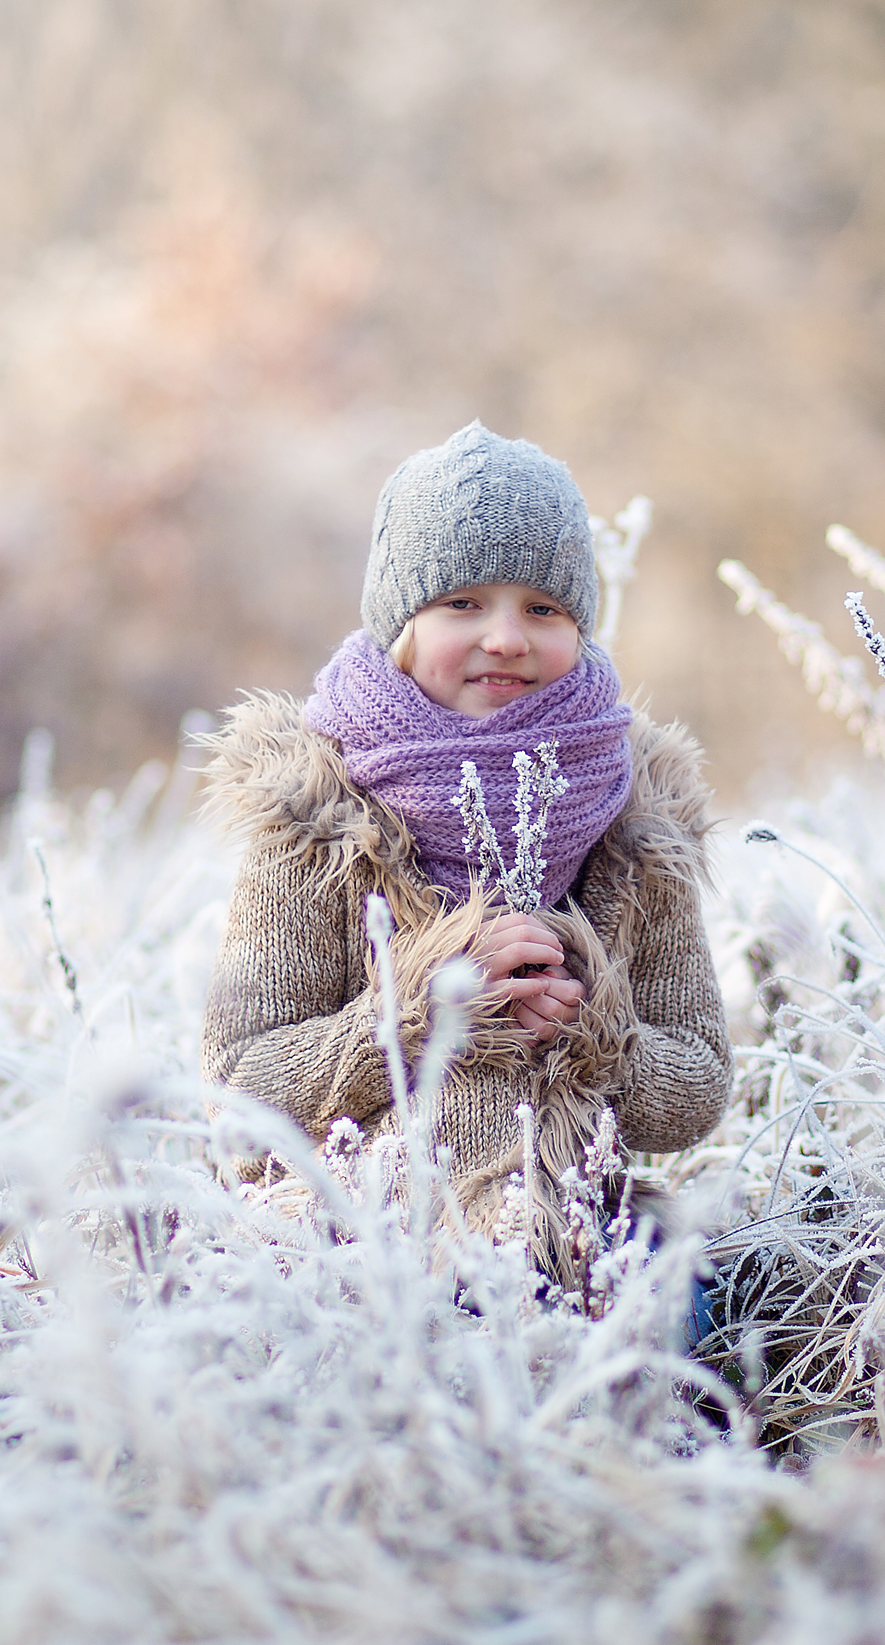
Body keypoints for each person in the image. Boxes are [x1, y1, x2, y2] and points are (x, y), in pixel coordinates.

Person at [200, 422, 731, 1278]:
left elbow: (697, 1085)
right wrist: (424, 1007)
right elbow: (239, 1087)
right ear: (401, 622)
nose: (507, 637)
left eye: (543, 608)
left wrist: (588, 1027)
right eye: (463, 603)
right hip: (364, 1256)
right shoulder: (316, 817)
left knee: (684, 1306)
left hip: (586, 1248)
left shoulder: (637, 820)